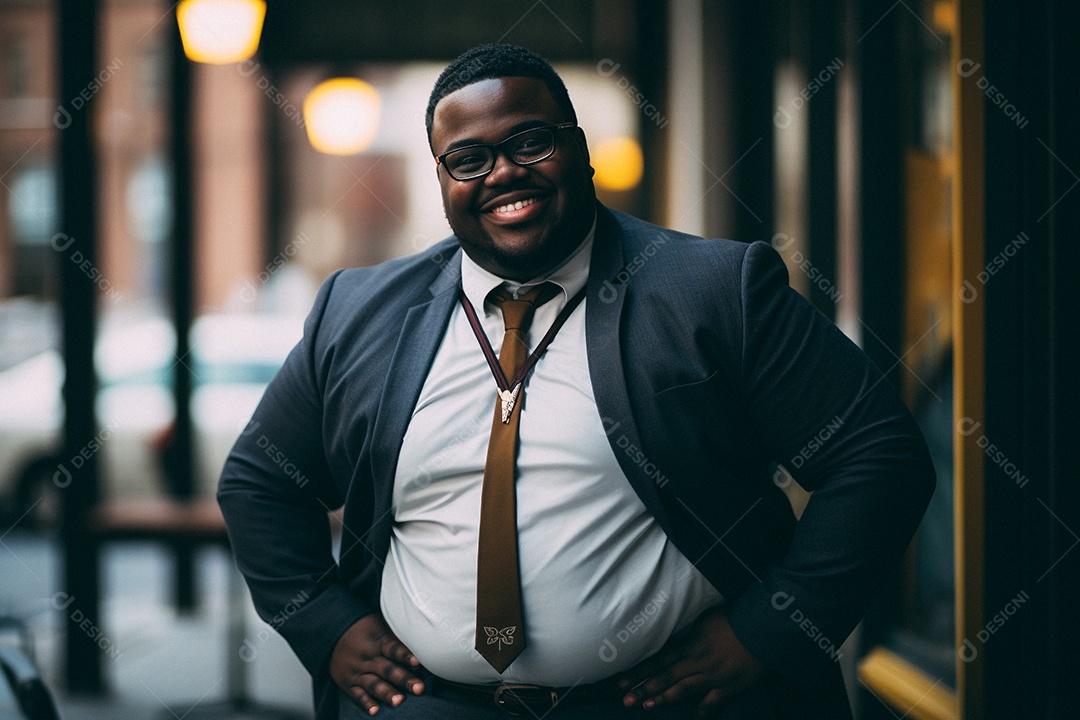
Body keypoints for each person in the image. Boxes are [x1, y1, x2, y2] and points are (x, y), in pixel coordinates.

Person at [218, 44, 935, 719]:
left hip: (665, 705)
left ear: (580, 149)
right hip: (431, 705)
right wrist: (326, 625)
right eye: (467, 159)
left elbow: (876, 457)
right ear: (442, 181)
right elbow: (260, 480)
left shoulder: (715, 291)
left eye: (530, 142)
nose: (501, 172)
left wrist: (768, 631)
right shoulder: (359, 310)